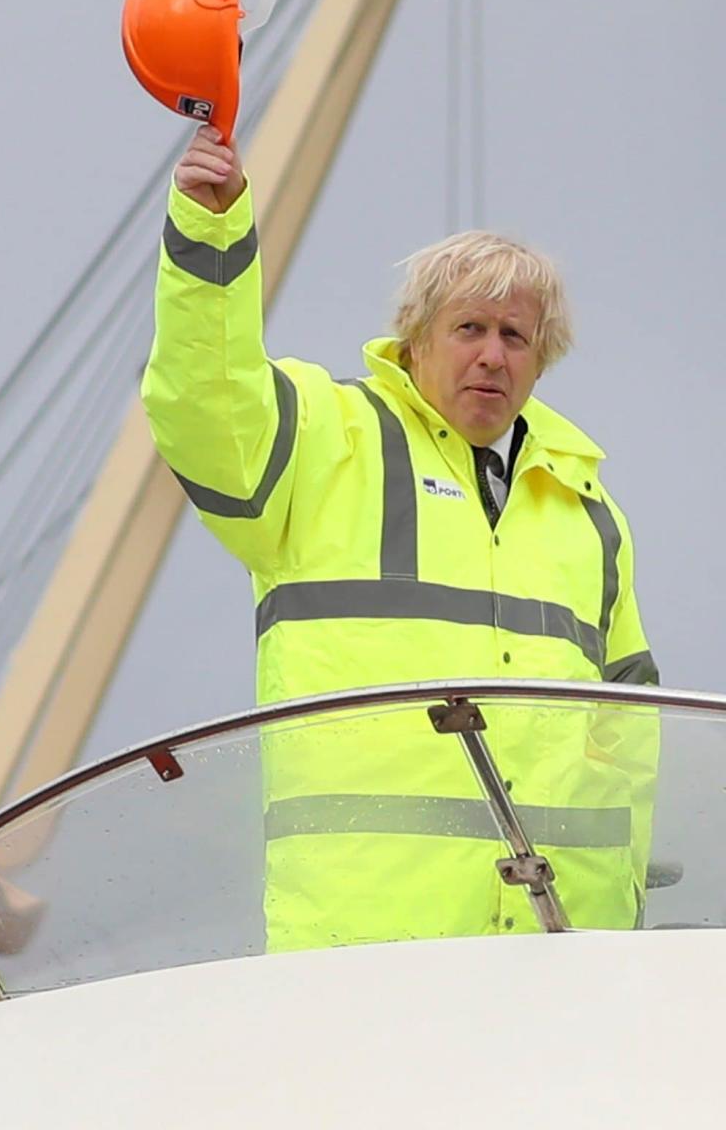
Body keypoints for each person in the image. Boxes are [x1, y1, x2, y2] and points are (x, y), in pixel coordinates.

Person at [141, 124, 659, 947]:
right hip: (367, 955)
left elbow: (630, 733)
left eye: (514, 336)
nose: (492, 356)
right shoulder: (325, 441)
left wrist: (623, 914)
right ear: (414, 338)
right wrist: (211, 231)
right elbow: (203, 398)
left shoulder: (588, 510)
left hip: (560, 956)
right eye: (468, 329)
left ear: (541, 358)